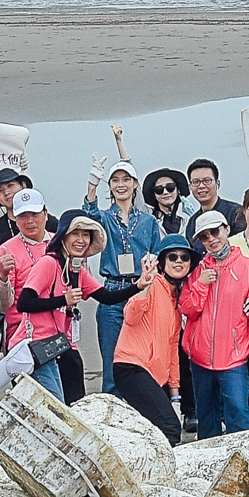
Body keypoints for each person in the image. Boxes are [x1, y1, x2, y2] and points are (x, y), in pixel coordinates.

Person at [0, 191, 95, 400]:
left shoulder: (63, 242)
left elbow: (83, 283)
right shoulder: (6, 249)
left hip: (64, 337)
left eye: (35, 214)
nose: (29, 221)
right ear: (14, 218)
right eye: (22, 216)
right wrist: (3, 276)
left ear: (46, 214)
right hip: (26, 340)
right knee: (41, 407)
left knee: (75, 401)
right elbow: (2, 304)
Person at [180, 210, 249, 436]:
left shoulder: (247, 266)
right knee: (206, 416)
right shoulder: (199, 269)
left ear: (227, 230)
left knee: (239, 412)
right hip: (200, 358)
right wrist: (201, 284)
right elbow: (188, 309)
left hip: (234, 358)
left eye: (215, 232)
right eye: (204, 236)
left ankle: (247, 461)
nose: (211, 239)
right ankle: (210, 464)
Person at [113, 235, 198, 443]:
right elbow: (130, 316)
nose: (179, 261)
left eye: (185, 257)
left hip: (154, 376)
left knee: (150, 431)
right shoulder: (153, 285)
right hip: (132, 367)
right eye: (173, 256)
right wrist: (144, 286)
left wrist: (176, 398)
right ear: (162, 262)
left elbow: (172, 353)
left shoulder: (176, 301)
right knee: (170, 427)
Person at [84, 139, 159, 372]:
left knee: (142, 361)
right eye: (115, 180)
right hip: (113, 291)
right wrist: (92, 184)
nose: (121, 185)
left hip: (141, 291)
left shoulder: (149, 221)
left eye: (126, 179)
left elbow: (158, 254)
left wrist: (151, 265)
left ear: (135, 184)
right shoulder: (105, 218)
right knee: (112, 362)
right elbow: (88, 216)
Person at [51, 210, 111, 401]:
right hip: (44, 346)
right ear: (63, 236)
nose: (81, 239)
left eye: (86, 234)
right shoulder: (48, 263)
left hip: (65, 344)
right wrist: (63, 300)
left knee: (76, 400)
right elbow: (26, 302)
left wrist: (139, 284)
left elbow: (107, 297)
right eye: (75, 233)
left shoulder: (76, 269)